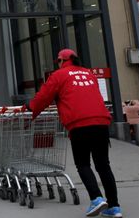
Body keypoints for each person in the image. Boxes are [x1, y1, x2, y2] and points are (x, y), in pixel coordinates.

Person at [27, 49, 122, 218]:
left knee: (83, 164)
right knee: (103, 165)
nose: (58, 63)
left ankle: (96, 198)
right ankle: (114, 207)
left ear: (62, 60)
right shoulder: (89, 74)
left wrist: (29, 113)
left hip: (79, 124)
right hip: (101, 122)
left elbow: (43, 98)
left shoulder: (59, 75)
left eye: (58, 60)